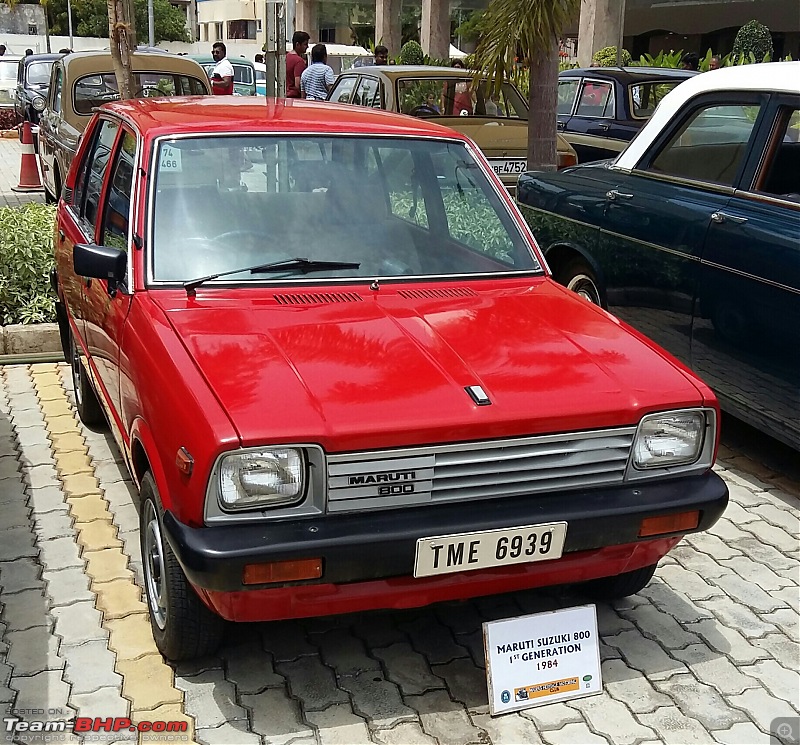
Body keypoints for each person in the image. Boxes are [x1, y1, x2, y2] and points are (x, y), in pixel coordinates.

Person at [286, 31, 310, 98]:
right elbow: (298, 84)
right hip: (294, 97)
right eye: (305, 44)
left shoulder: (286, 57)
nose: (307, 47)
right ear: (297, 44)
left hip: (285, 96)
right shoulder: (299, 61)